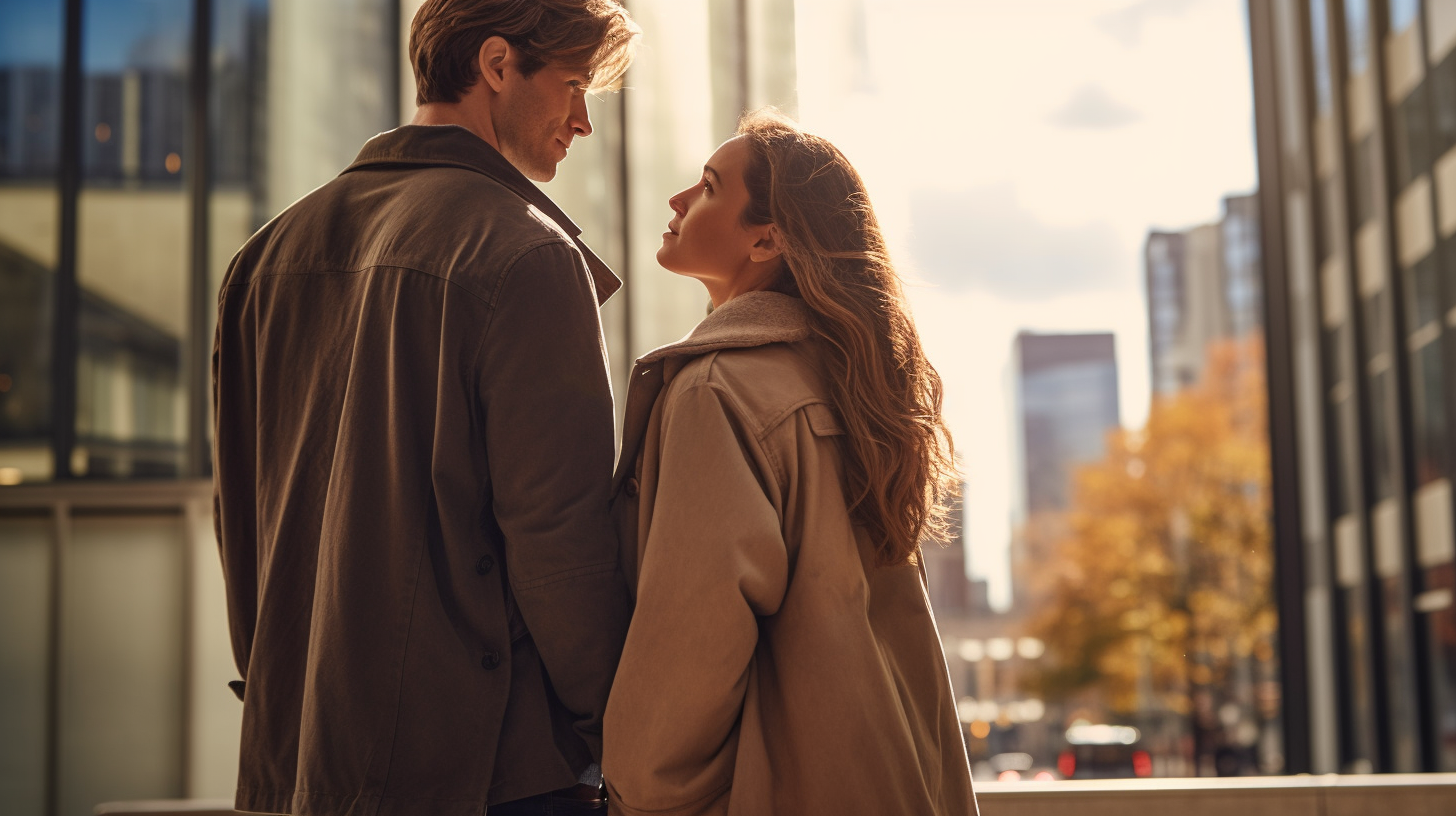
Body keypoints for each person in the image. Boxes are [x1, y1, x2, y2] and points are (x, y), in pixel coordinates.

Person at [211, 2, 639, 814]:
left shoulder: (261, 261)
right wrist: (617, 729)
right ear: (497, 64)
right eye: (575, 86)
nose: (582, 122)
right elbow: (563, 548)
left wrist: (286, 704)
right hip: (488, 772)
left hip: (301, 761)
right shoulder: (529, 256)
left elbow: (244, 530)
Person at [602, 110, 979, 816]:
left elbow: (693, 638)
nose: (681, 200)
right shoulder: (855, 388)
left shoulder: (719, 389)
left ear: (768, 237)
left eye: (710, 188)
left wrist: (644, 792)